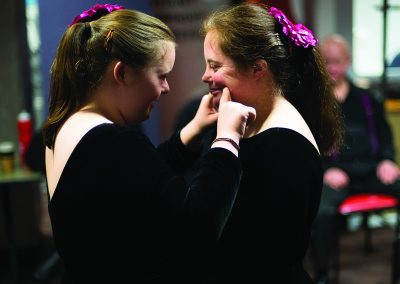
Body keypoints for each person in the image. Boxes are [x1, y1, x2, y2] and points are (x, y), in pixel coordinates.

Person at [42, 4, 256, 283]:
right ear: (122, 73)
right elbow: (198, 227)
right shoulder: (113, 142)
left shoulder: (67, 129)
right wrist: (227, 138)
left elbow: (140, 183)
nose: (166, 88)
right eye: (161, 75)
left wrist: (191, 131)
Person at [195, 3, 343, 283]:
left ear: (257, 68)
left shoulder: (285, 147)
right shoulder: (242, 121)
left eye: (214, 66)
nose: (205, 76)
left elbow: (261, 256)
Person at [310, 34, 400, 284]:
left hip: (371, 170)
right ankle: (322, 274)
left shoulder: (367, 98)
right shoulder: (314, 102)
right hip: (336, 174)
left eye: (337, 62)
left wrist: (387, 160)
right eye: (326, 62)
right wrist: (326, 169)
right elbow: (309, 144)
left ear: (348, 62)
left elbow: (384, 136)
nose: (332, 68)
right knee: (322, 210)